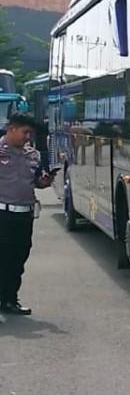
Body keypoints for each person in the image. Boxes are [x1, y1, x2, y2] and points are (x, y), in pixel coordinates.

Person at [0, 112, 56, 321]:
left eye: (30, 133)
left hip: (24, 215)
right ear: (12, 129)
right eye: (25, 132)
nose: (27, 137)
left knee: (18, 259)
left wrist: (45, 181)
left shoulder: (32, 155)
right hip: (2, 214)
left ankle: (9, 300)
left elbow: (36, 181)